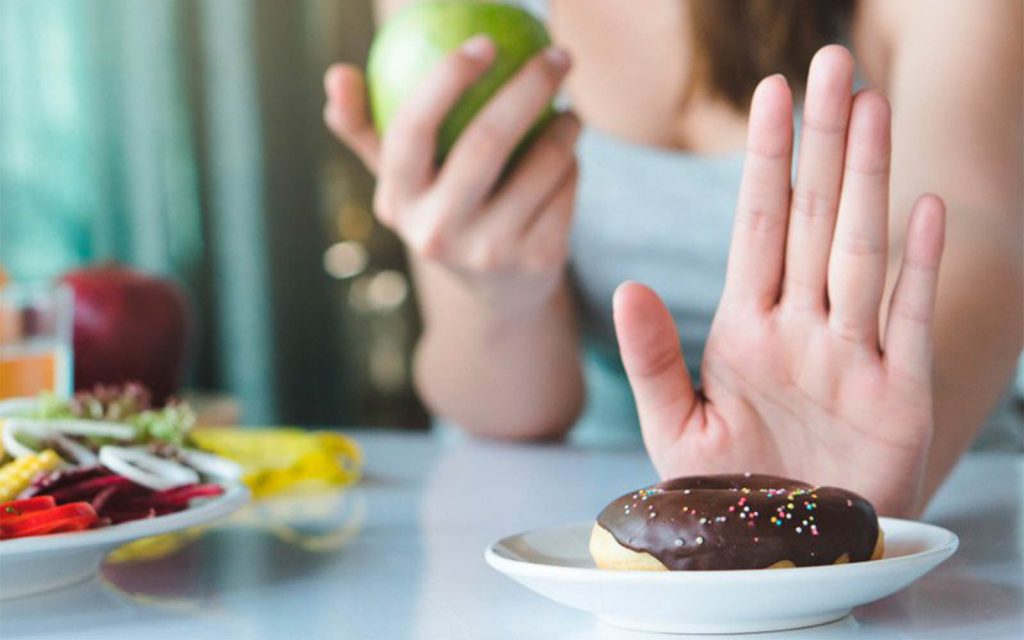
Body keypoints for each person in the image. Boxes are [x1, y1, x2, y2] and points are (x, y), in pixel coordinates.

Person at [323, 0, 1023, 517]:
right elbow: (517, 416)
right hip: (583, 522)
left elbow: (977, 231)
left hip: (937, 504)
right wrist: (495, 292)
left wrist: (840, 481)